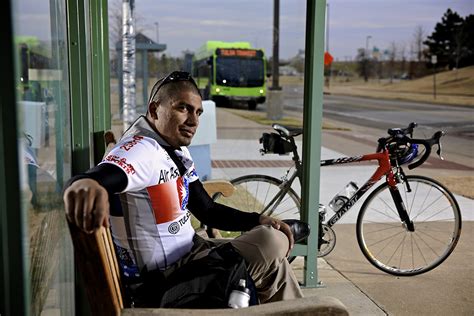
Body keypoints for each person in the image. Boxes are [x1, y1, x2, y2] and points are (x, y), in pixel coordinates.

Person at [63, 71, 308, 305]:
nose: (193, 121)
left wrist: (259, 218)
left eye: (198, 113)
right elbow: (105, 174)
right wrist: (85, 183)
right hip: (168, 279)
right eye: (183, 108)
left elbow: (207, 210)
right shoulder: (143, 149)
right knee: (270, 243)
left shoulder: (173, 149)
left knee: (273, 256)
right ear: (154, 110)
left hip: (193, 254)